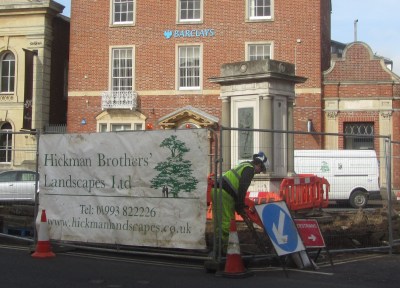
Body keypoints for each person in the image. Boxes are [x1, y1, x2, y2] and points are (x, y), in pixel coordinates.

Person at [211, 151, 269, 252]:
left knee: (220, 220)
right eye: (261, 169)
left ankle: (218, 247)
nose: (259, 172)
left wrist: (239, 204)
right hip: (224, 193)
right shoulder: (249, 170)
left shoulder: (244, 165)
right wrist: (240, 204)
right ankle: (224, 250)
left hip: (218, 191)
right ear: (258, 164)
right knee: (227, 222)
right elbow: (243, 187)